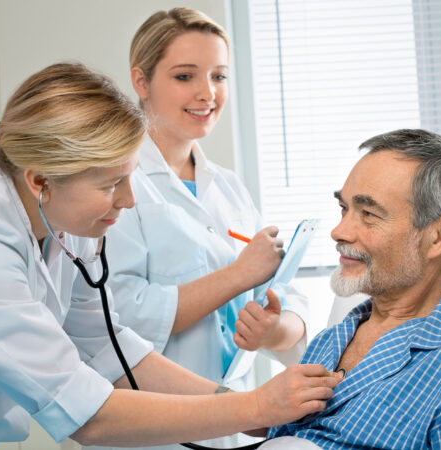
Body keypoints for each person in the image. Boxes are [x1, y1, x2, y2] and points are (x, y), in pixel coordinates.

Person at [0, 63, 341, 450]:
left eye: (129, 177)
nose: (129, 200)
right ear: (40, 180)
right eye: (112, 183)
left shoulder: (67, 220)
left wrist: (247, 409)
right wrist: (255, 409)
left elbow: (110, 348)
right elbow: (85, 415)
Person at [261, 129, 441, 449]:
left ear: (440, 235)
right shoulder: (329, 342)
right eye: (344, 209)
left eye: (369, 214)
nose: (338, 231)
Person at [98, 8, 310, 449]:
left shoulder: (229, 188)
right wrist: (239, 274)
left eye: (219, 76)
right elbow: (120, 317)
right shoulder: (115, 185)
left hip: (234, 426)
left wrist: (274, 329)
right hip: (152, 429)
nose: (207, 93)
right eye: (184, 76)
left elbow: (285, 301)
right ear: (141, 82)